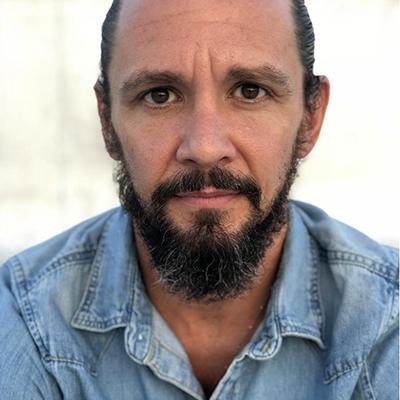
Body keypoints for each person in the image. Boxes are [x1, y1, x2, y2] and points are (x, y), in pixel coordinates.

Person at [0, 0, 398, 398]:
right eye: (159, 95)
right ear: (107, 122)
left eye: (250, 91)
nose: (205, 148)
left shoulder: (387, 321)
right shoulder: (25, 317)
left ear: (310, 118)